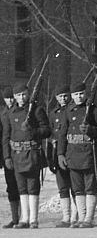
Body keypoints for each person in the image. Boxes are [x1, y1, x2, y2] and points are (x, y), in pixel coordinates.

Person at [1, 84, 51, 228]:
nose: (21, 98)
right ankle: (24, 218)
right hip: (16, 155)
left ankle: (33, 219)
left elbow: (47, 130)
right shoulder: (10, 113)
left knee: (33, 187)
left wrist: (33, 131)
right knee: (21, 187)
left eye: (24, 94)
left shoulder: (36, 110)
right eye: (18, 95)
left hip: (32, 154)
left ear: (28, 94)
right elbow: (6, 136)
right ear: (14, 97)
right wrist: (7, 157)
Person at [57, 82, 97, 227]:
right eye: (76, 94)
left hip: (89, 154)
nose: (79, 97)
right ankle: (81, 217)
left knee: (90, 187)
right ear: (72, 96)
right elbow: (62, 134)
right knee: (77, 188)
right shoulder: (68, 111)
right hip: (73, 153)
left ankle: (89, 218)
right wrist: (60, 154)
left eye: (81, 93)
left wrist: (91, 129)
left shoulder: (94, 110)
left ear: (86, 93)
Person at [47, 86, 77, 227]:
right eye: (60, 96)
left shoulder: (74, 110)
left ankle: (76, 216)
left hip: (73, 152)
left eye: (65, 96)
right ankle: (66, 217)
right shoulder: (53, 113)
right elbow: (50, 132)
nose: (63, 99)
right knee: (63, 186)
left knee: (76, 186)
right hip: (58, 153)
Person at [1, 87, 20, 227]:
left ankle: (25, 217)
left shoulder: (22, 111)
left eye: (12, 97)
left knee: (24, 186)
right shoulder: (3, 113)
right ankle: (15, 218)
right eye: (8, 98)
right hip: (6, 154)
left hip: (20, 153)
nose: (11, 100)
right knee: (11, 186)